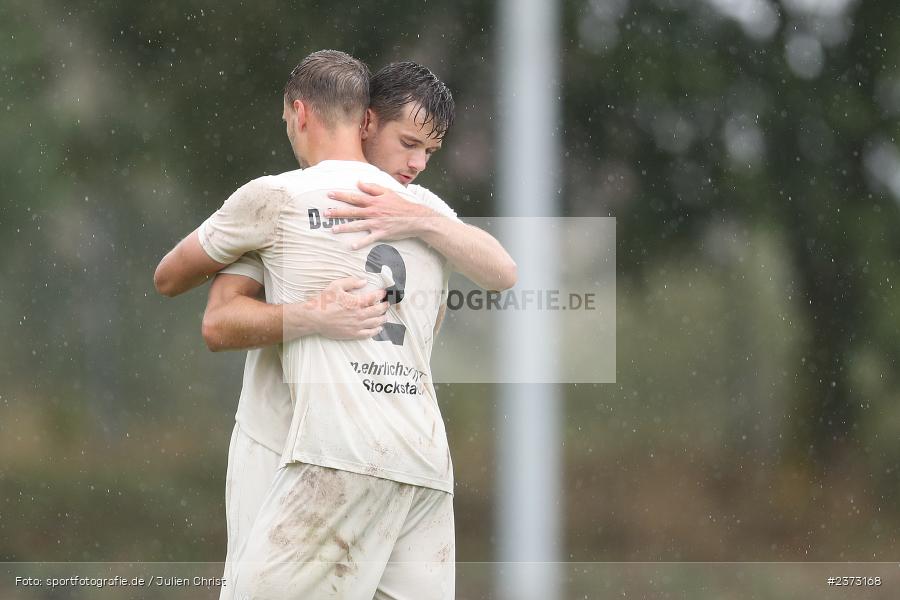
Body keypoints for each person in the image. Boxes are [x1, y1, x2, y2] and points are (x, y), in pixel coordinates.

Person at [153, 51, 515, 599]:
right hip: (420, 458)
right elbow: (494, 277)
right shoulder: (431, 214)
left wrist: (314, 312)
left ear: (299, 114)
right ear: (365, 120)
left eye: (428, 151)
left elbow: (189, 296)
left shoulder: (283, 200)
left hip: (322, 451)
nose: (417, 164)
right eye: (409, 144)